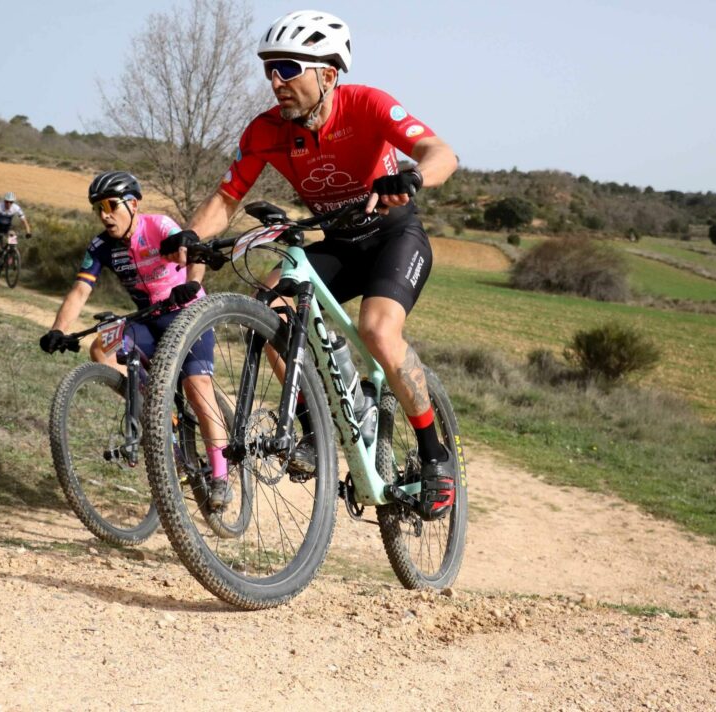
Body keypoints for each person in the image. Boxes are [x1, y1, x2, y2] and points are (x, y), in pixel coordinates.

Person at [160, 10, 460, 520]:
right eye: (269, 69)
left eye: (289, 67)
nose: (276, 81)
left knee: (378, 332)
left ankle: (436, 456)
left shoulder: (367, 104)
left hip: (394, 237)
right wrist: (191, 236)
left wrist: (412, 178)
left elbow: (441, 153)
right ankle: (313, 426)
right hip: (339, 241)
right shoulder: (266, 131)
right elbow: (225, 197)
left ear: (327, 73)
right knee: (269, 312)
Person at [38, 172, 232, 507]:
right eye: (98, 208)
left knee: (197, 389)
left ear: (133, 204)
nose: (104, 214)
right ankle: (155, 407)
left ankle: (220, 477)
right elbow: (82, 289)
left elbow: (193, 251)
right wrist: (59, 329)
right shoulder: (102, 247)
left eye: (111, 205)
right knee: (102, 347)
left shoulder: (157, 226)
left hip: (187, 312)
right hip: (148, 318)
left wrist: (192, 282)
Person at [0, 192, 32, 280]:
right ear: (4, 201)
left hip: (7, 228)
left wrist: (28, 232)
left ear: (13, 202)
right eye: (7, 202)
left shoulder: (16, 208)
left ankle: (11, 254)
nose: (8, 204)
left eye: (11, 202)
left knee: (13, 234)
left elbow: (24, 221)